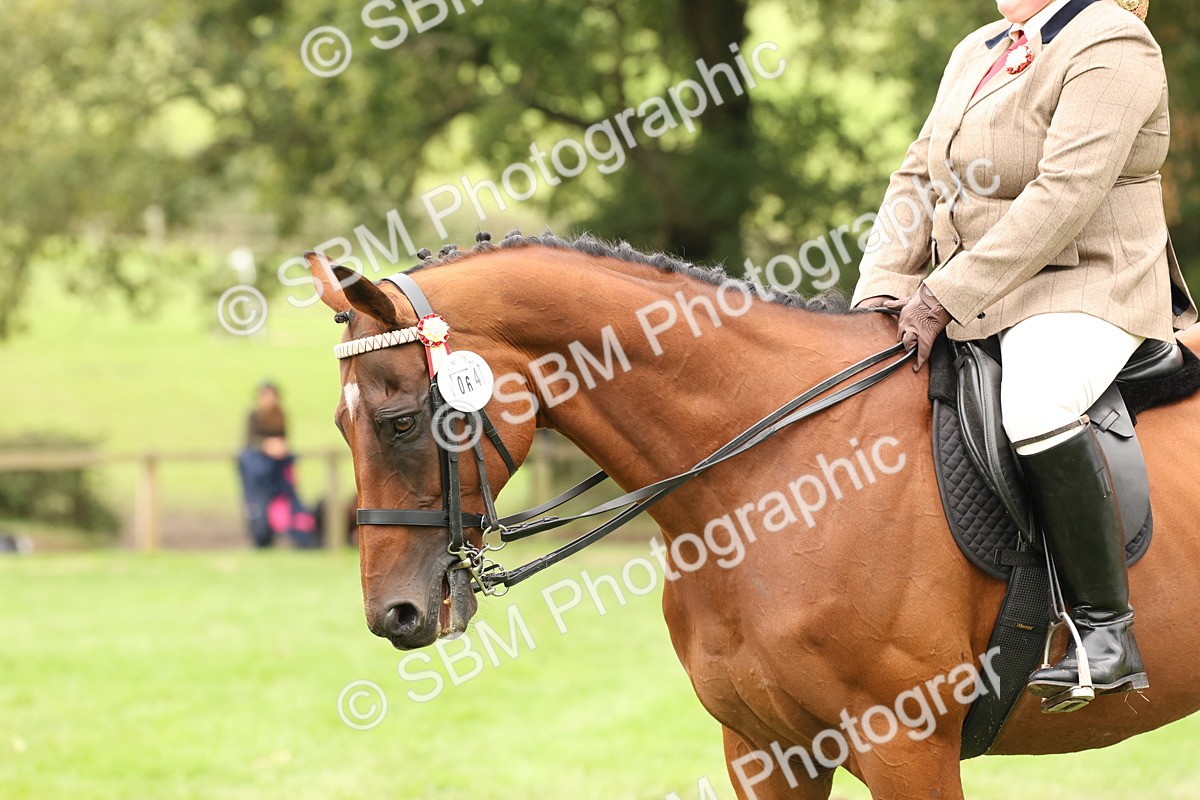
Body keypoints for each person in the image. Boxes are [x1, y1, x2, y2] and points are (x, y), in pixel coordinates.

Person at [852, 0, 1197, 706]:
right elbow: (916, 177)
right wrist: (883, 286)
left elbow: (1063, 195)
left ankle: (1107, 634)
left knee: (1038, 400)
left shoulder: (1114, 41)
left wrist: (944, 294)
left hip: (1088, 286)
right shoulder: (980, 47)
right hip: (973, 288)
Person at [236, 382, 318, 549]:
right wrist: (267, 446)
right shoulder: (254, 415)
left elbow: (284, 439)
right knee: (259, 508)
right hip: (258, 470)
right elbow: (250, 442)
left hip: (278, 467)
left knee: (289, 504)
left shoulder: (280, 414)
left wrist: (281, 448)